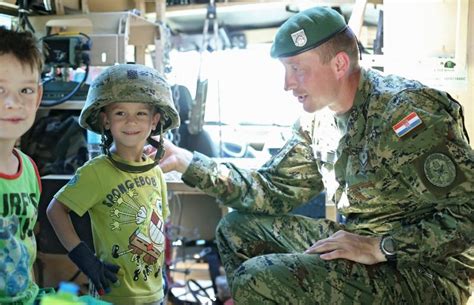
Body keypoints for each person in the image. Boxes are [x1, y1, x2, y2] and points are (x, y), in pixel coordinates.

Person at [156, 6, 474, 305]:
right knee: (236, 229)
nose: (286, 84)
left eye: (297, 69)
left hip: (425, 271)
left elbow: (468, 213)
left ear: (339, 64)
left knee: (259, 278)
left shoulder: (405, 114)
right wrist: (188, 162)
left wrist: (382, 247)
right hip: (361, 244)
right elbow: (271, 190)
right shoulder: (318, 121)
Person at [47, 64, 180, 305]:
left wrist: (165, 272)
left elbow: (162, 226)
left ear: (155, 120)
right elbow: (55, 210)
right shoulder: (96, 172)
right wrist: (85, 260)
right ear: (105, 120)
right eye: (120, 113)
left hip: (155, 293)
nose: (131, 121)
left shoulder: (156, 172)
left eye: (141, 113)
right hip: (115, 294)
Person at [0, 27, 44, 305]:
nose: (12, 103)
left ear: (38, 97)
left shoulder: (28, 169)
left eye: (25, 90)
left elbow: (26, 248)